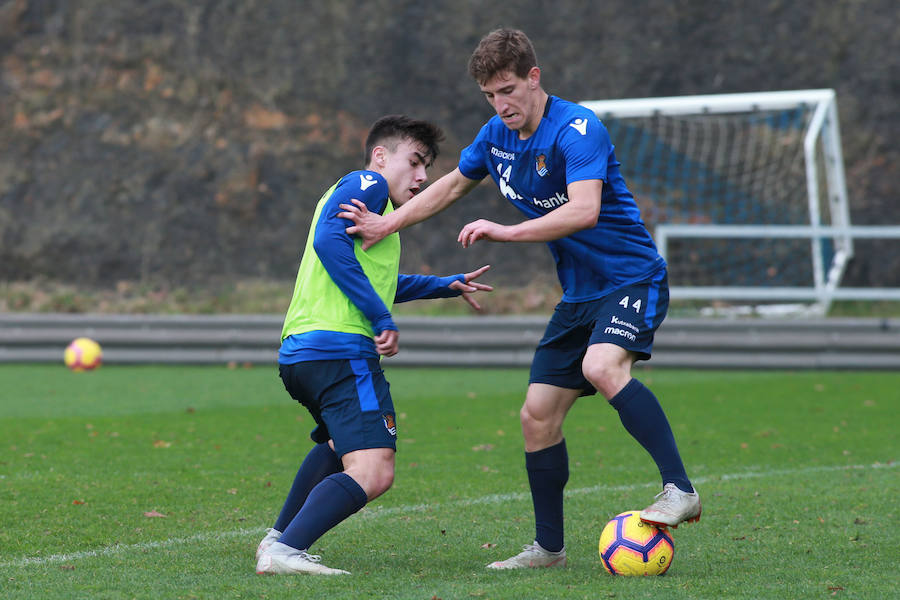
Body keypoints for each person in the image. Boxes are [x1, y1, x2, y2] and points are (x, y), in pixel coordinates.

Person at [338, 29, 700, 570]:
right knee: (536, 416)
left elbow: (584, 211)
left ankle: (680, 489)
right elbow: (453, 185)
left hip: (630, 279)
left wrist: (502, 231)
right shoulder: (494, 136)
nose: (500, 103)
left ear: (534, 78)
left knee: (602, 365)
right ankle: (548, 549)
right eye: (489, 94)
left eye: (507, 89)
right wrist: (387, 222)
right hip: (579, 295)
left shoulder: (578, 129)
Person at [255, 114, 492, 576]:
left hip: (304, 350)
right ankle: (286, 551)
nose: (423, 177)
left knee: (336, 447)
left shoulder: (373, 214)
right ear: (381, 157)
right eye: (416, 161)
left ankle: (279, 538)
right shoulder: (368, 183)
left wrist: (443, 285)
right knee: (375, 469)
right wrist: (381, 317)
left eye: (428, 167)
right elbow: (329, 242)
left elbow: (374, 278)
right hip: (340, 350)